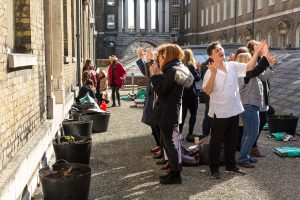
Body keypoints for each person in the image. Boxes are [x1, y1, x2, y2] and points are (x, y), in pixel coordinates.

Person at [203, 40, 266, 179]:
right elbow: (207, 91)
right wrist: (213, 73)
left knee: (232, 140)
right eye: (217, 51)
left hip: (234, 109)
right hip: (219, 112)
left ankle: (231, 166)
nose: (220, 51)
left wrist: (256, 52)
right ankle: (214, 169)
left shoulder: (232, 65)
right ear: (211, 56)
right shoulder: (209, 71)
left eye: (221, 49)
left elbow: (249, 66)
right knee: (216, 142)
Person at [150, 44, 194, 184]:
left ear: (167, 55)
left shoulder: (172, 71)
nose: (159, 59)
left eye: (161, 56)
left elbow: (161, 91)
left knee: (169, 143)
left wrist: (154, 76)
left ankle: (176, 174)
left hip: (167, 112)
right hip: (170, 110)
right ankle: (174, 170)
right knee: (166, 142)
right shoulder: (176, 68)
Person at [235, 51, 276, 168]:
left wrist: (270, 65)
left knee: (247, 133)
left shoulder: (249, 73)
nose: (253, 62)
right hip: (249, 106)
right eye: (250, 59)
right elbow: (259, 69)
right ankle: (243, 159)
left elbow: (263, 75)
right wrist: (265, 58)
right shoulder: (245, 73)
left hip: (250, 106)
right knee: (252, 133)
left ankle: (245, 156)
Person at [247, 40, 276, 157]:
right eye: (257, 47)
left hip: (263, 96)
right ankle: (252, 147)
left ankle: (251, 146)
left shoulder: (260, 61)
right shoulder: (253, 62)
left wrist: (270, 65)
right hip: (257, 98)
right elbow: (264, 77)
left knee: (260, 122)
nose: (260, 48)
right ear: (252, 50)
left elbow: (265, 79)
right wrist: (270, 67)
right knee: (257, 124)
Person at [136, 47, 162, 158]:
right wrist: (141, 58)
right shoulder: (153, 62)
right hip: (150, 95)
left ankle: (162, 147)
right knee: (152, 123)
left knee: (157, 125)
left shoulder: (160, 64)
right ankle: (159, 145)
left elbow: (151, 74)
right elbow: (147, 73)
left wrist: (149, 60)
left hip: (155, 97)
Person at [179, 49, 200, 142]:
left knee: (182, 115)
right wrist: (198, 69)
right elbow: (197, 78)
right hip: (191, 94)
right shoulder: (191, 66)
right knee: (193, 114)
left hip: (183, 94)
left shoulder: (180, 66)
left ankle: (180, 133)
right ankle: (190, 133)